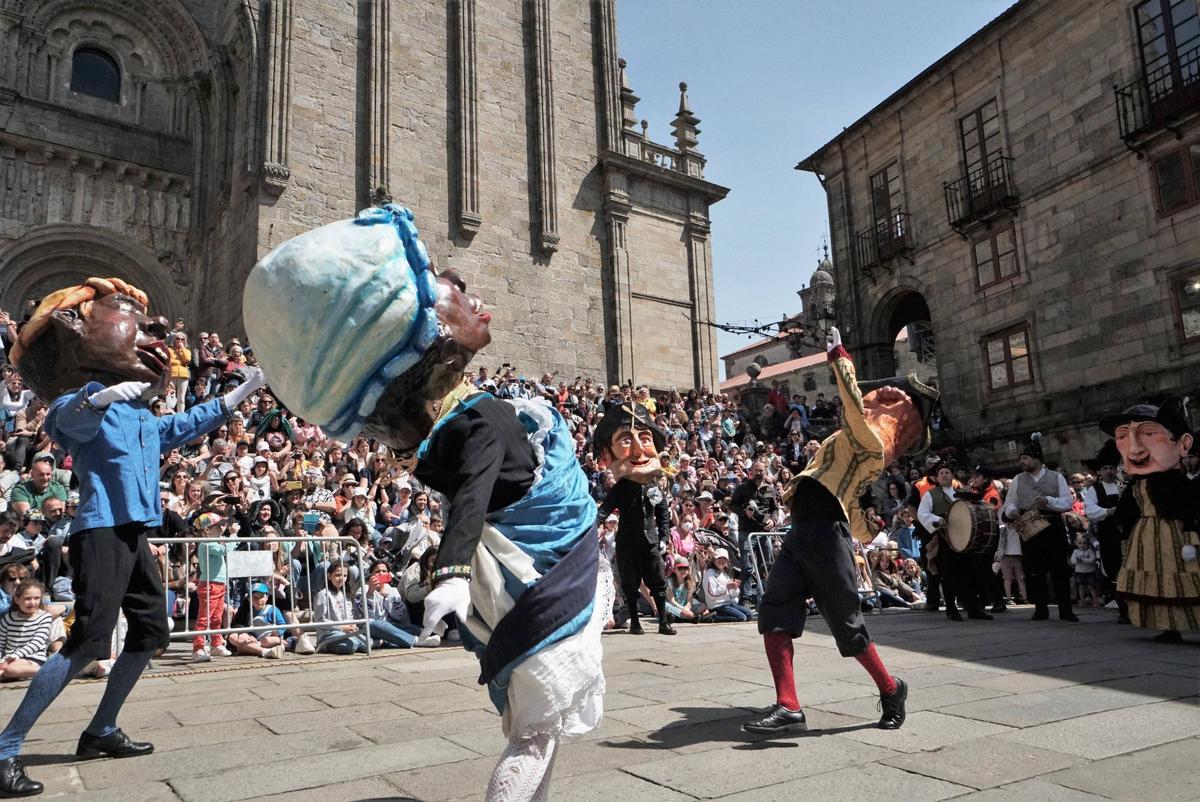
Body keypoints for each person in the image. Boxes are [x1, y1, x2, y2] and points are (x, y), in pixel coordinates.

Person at [245, 204, 612, 801]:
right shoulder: (482, 421)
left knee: (540, 733)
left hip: (524, 570)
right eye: (457, 298)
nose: (477, 303)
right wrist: (454, 571)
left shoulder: (444, 434)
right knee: (534, 740)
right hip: (536, 575)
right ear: (430, 334)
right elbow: (472, 496)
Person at [0, 276, 265, 798]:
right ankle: (6, 747)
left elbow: (181, 426)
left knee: (150, 632)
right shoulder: (78, 399)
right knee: (88, 642)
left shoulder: (141, 414)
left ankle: (100, 730)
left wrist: (240, 392)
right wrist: (98, 398)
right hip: (100, 529)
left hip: (133, 533)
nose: (153, 330)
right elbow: (65, 424)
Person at [744, 327, 936, 736]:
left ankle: (891, 688)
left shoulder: (869, 442)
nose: (875, 397)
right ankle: (788, 705)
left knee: (847, 628)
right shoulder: (854, 439)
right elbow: (846, 497)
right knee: (774, 613)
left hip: (825, 536)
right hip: (802, 532)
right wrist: (866, 526)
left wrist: (840, 356)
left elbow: (851, 405)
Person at [1099, 398, 1199, 642]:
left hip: (1173, 531)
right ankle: (1169, 627)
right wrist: (1123, 528)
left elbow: (1189, 507)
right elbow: (1126, 508)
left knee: (1182, 579)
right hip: (1145, 532)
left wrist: (1190, 533)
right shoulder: (1138, 482)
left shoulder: (1175, 478)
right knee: (1157, 581)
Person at [595, 403, 675, 636]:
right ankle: (636, 623)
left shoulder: (654, 486)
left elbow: (662, 514)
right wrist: (592, 523)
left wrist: (664, 537)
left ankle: (663, 621)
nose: (639, 450)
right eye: (627, 440)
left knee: (657, 582)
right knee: (630, 584)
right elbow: (605, 510)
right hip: (628, 540)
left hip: (649, 540)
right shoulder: (620, 488)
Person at [1000, 435, 1078, 622]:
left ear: (1036, 459)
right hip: (1029, 526)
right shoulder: (1018, 479)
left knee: (1060, 568)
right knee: (1034, 569)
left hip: (1052, 525)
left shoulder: (1056, 477)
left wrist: (1048, 501)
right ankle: (1040, 608)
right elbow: (1011, 502)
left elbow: (1068, 501)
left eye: (1025, 458)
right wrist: (1012, 512)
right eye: (1021, 459)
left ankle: (1065, 610)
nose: (1022, 462)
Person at [1082, 440, 1128, 623]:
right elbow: (1089, 509)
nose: (1109, 471)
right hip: (1108, 534)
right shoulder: (1095, 489)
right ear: (1099, 472)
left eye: (1111, 468)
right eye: (1105, 468)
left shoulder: (1124, 486)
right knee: (1114, 568)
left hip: (1127, 533)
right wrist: (1107, 512)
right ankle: (1123, 610)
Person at [0, 580, 51, 683]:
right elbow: (0, 643)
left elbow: (36, 643)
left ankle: (50, 671)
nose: (33, 602)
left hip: (33, 658)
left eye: (37, 598)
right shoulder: (8, 618)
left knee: (11, 669)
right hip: (8, 659)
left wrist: (13, 657)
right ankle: (21, 675)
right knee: (6, 671)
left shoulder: (44, 617)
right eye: (27, 599)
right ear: (16, 599)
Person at [702, 548, 753, 622]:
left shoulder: (725, 575)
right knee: (742, 618)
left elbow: (733, 595)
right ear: (714, 560)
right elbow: (711, 593)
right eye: (719, 558)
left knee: (749, 615)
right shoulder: (709, 573)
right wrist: (726, 587)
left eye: (724, 559)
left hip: (728, 604)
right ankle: (712, 618)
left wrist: (735, 588)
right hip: (717, 605)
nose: (721, 561)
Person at [1070, 533, 1101, 607]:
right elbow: (1072, 561)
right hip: (1080, 573)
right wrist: (1077, 560)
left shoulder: (1090, 551)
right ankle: (1082, 601)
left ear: (1088, 544)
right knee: (1081, 587)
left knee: (1092, 587)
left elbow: (1092, 560)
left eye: (1084, 543)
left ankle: (1095, 601)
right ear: (1076, 543)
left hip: (1089, 572)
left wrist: (1083, 560)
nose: (1082, 545)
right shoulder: (1075, 551)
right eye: (1080, 543)